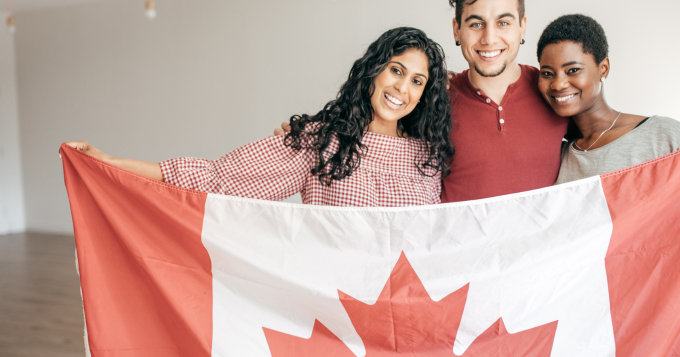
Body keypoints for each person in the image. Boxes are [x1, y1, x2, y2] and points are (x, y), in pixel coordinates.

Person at [62, 27, 455, 207]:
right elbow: (218, 177)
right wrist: (111, 164)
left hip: (405, 310)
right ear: (373, 70)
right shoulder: (319, 142)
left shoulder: (428, 156)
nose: (402, 89)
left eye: (418, 81)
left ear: (425, 95)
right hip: (335, 304)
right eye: (396, 71)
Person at [276, 0, 569, 202]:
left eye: (503, 22)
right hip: (454, 280)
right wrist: (313, 135)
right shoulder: (431, 101)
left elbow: (599, 139)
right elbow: (377, 125)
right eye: (476, 24)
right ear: (457, 29)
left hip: (537, 281)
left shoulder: (555, 92)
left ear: (523, 27)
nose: (489, 38)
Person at [536, 14, 680, 184]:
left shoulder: (662, 135)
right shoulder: (559, 156)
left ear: (603, 69)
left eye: (573, 70)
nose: (558, 85)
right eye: (547, 74)